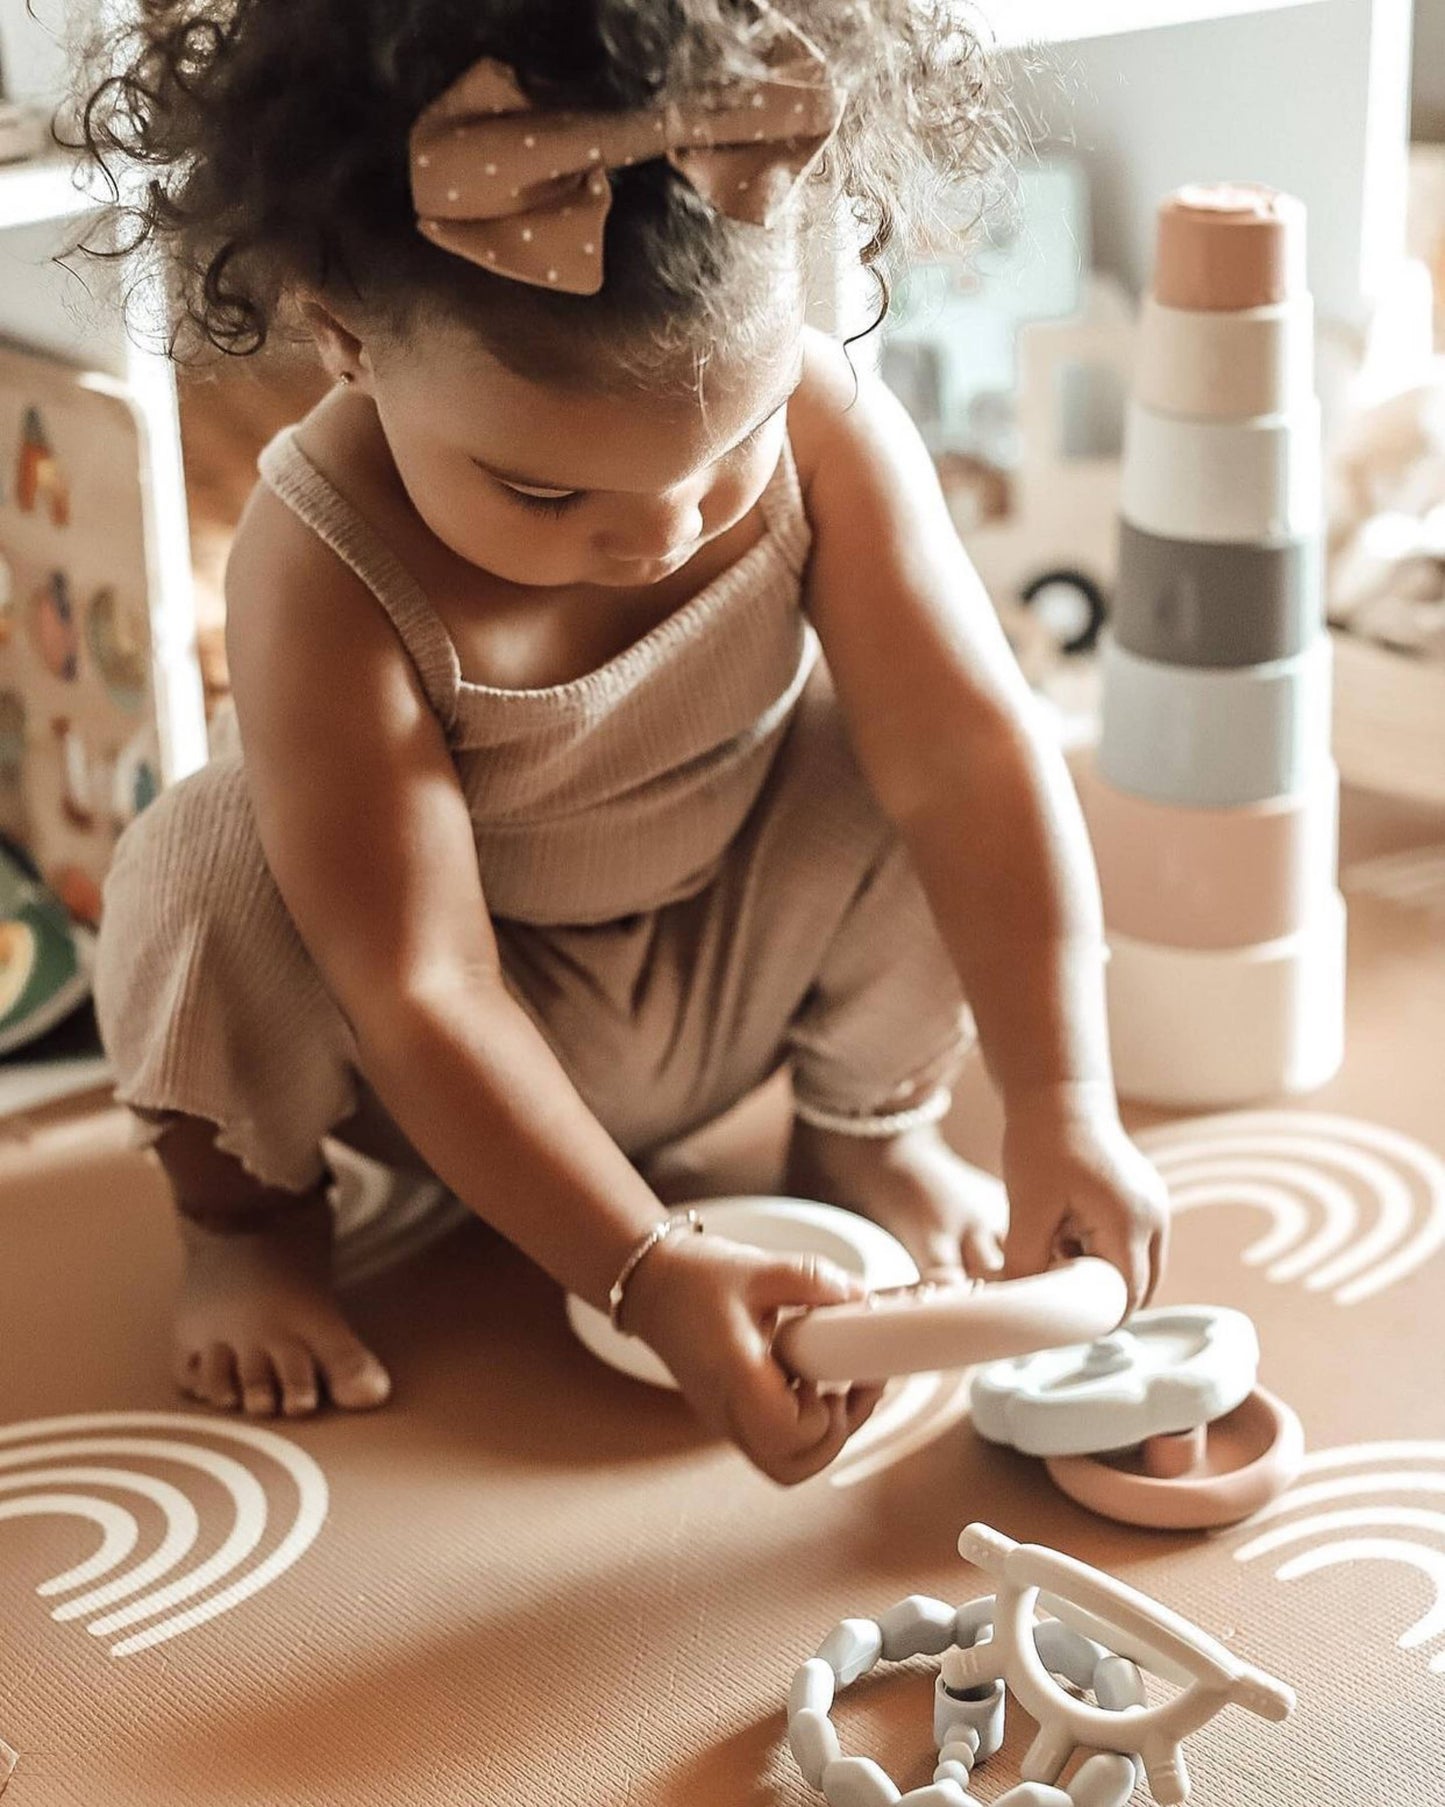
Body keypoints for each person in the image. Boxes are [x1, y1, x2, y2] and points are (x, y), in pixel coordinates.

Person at [76, 0, 1168, 1485]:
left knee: (930, 752)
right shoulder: (318, 564)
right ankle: (250, 1228)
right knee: (198, 863)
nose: (661, 536)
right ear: (343, 339)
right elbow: (421, 982)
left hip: (732, 949)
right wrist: (640, 1268)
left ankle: (868, 1130)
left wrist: (1062, 1103)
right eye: (541, 492)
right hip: (445, 1048)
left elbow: (970, 765)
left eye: (732, 448)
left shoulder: (830, 423)